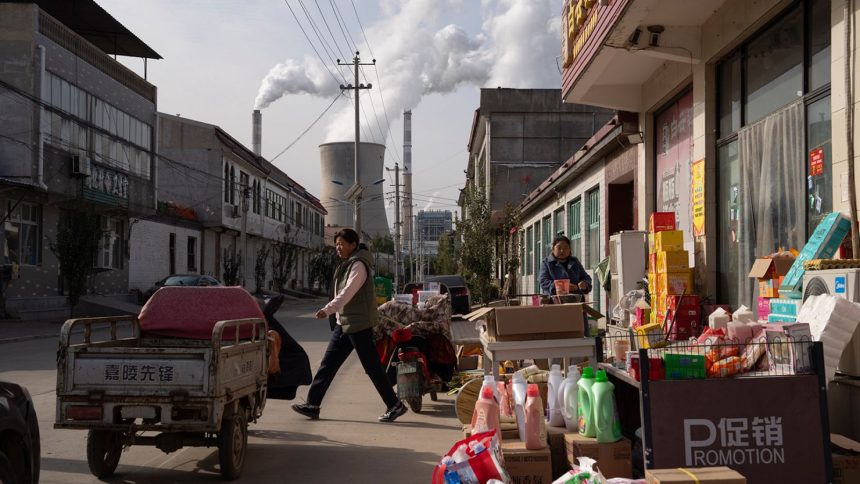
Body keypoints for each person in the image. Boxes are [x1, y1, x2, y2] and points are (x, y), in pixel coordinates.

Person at [292, 229, 407, 423]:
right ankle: (313, 403)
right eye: (337, 244)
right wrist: (335, 314)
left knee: (372, 367)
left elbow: (347, 292)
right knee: (328, 365)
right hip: (344, 323)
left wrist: (327, 309)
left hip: (358, 324)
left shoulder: (359, 265)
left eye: (342, 244)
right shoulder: (348, 264)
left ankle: (394, 404)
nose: (338, 247)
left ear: (353, 245)